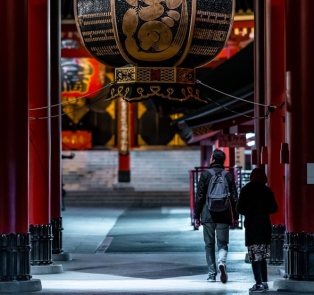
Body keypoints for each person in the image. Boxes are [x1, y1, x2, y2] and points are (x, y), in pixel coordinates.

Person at [194, 149, 239, 283]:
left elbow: (200, 197)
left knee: (209, 245)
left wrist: (197, 216)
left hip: (207, 214)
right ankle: (222, 263)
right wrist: (235, 217)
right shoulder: (228, 176)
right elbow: (234, 198)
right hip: (224, 214)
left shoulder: (205, 175)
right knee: (223, 244)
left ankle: (211, 274)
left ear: (213, 159)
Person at [236, 168, 278, 293]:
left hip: (252, 226)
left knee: (255, 256)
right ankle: (264, 282)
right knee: (263, 256)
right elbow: (274, 208)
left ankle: (258, 283)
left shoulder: (246, 190)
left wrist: (250, 212)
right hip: (264, 226)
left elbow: (239, 209)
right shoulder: (267, 191)